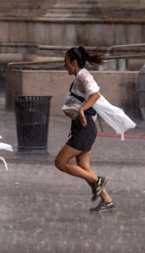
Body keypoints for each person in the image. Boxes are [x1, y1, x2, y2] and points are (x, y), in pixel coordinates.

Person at [55, 46, 135, 212]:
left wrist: (83, 110)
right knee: (83, 166)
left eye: (66, 63)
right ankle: (107, 200)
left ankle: (97, 179)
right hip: (83, 128)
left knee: (60, 162)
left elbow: (95, 94)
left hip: (84, 128)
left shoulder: (83, 75)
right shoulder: (79, 76)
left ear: (74, 62)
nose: (65, 66)